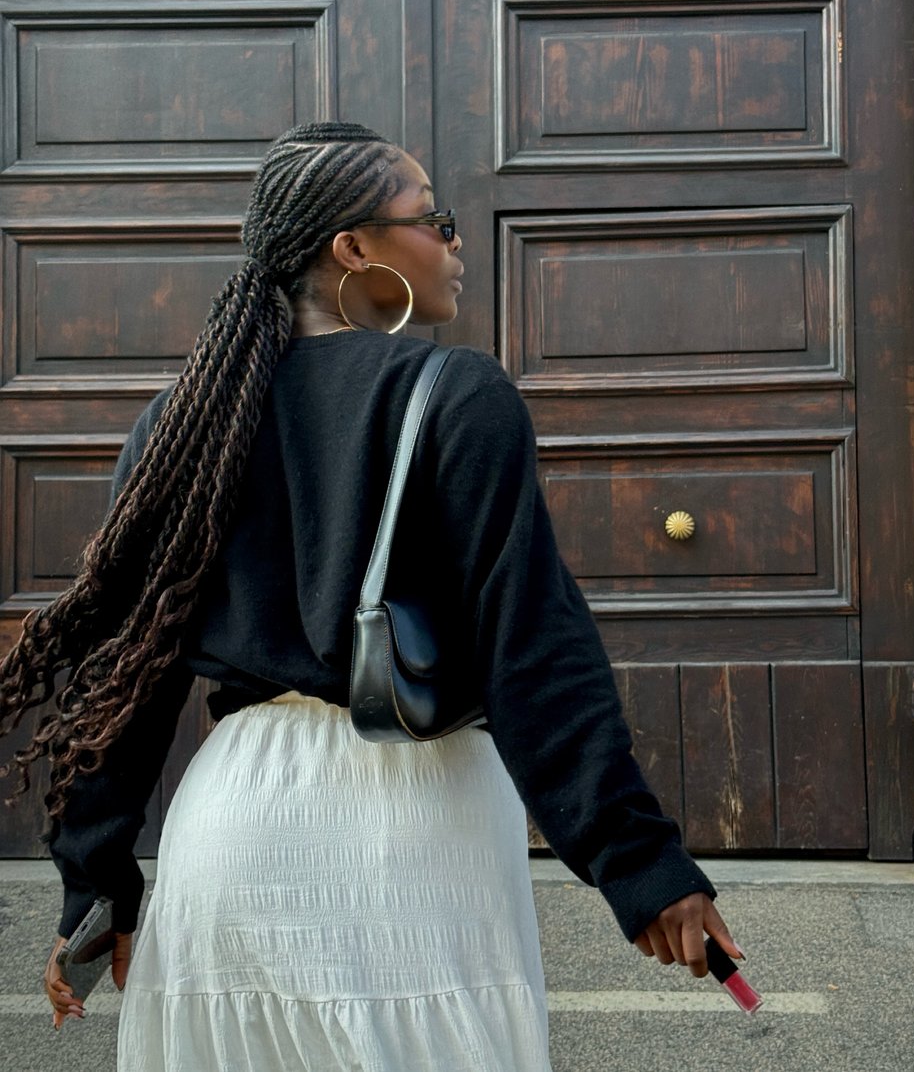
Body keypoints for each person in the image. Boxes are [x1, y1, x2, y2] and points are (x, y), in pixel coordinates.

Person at [0, 122, 739, 1071]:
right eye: (436, 219)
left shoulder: (179, 426)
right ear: (353, 248)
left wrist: (96, 887)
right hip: (416, 837)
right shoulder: (461, 396)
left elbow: (125, 680)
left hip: (233, 830)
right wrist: (642, 868)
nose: (458, 241)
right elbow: (535, 655)